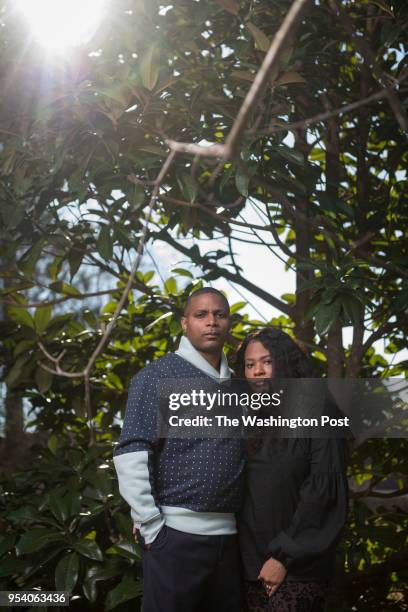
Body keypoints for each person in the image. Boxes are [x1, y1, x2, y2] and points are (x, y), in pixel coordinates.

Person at [113, 287, 244, 612]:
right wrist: (151, 524)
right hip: (175, 537)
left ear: (229, 323)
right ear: (185, 323)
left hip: (231, 540)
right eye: (201, 315)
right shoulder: (157, 376)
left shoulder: (238, 386)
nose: (211, 322)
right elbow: (132, 451)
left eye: (219, 315)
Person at [235, 328, 349, 612]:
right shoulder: (252, 419)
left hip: (296, 570)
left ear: (285, 363)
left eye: (267, 361)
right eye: (250, 365)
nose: (258, 371)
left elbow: (323, 493)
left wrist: (283, 558)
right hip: (250, 568)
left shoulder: (318, 410)